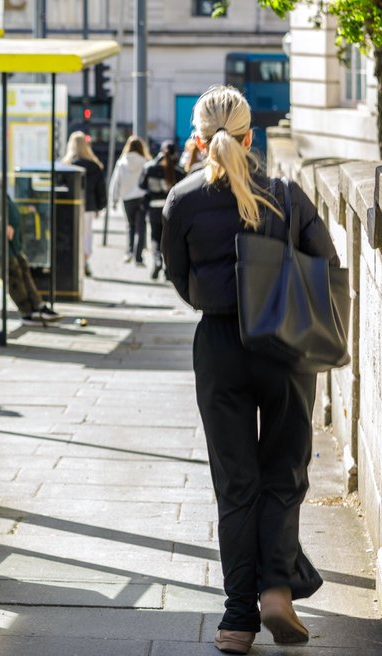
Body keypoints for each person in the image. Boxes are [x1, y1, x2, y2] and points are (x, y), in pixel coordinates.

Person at [162, 85, 333, 655]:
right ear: (250, 136)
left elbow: (179, 279)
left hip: (218, 344)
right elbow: (325, 263)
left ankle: (237, 620)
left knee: (236, 485)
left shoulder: (182, 198)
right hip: (284, 343)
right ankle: (278, 590)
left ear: (198, 135)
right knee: (284, 473)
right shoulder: (286, 192)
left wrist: (220, 301)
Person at [0, 135, 60, 324]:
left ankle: (37, 306)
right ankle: (27, 310)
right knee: (13, 271)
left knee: (22, 266)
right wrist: (2, 224)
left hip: (5, 239)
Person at [64, 131, 106, 277]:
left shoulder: (67, 165)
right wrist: (100, 206)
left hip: (68, 206)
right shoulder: (95, 166)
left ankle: (76, 262)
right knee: (86, 234)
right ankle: (84, 260)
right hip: (88, 205)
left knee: (73, 233)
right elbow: (100, 189)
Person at [139, 141, 180, 280]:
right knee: (168, 240)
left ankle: (157, 260)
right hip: (172, 210)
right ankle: (168, 269)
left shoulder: (150, 168)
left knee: (155, 238)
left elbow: (142, 184)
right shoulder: (178, 171)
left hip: (154, 207)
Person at [107, 136, 149, 265]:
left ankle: (130, 251)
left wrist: (113, 200)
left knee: (130, 226)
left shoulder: (122, 162)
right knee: (141, 226)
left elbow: (116, 181)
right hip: (142, 197)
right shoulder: (145, 162)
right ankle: (138, 256)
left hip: (127, 198)